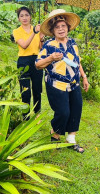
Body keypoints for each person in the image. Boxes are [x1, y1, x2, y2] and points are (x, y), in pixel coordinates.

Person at [36, 9, 89, 153]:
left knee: (76, 110)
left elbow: (77, 62)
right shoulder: (48, 45)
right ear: (52, 30)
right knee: (63, 112)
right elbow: (38, 64)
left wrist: (84, 77)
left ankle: (71, 139)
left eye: (63, 26)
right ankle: (56, 134)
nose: (61, 29)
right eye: (57, 27)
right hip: (56, 84)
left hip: (74, 83)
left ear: (68, 28)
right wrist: (51, 58)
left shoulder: (73, 43)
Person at [13, 6, 44, 119]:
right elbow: (24, 45)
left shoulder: (37, 29)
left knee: (37, 89)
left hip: (36, 61)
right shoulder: (16, 31)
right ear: (18, 19)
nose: (24, 18)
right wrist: (34, 32)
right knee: (25, 90)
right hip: (23, 62)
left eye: (26, 15)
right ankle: (25, 116)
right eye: (21, 16)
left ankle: (37, 114)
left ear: (30, 17)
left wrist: (41, 37)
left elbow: (40, 47)